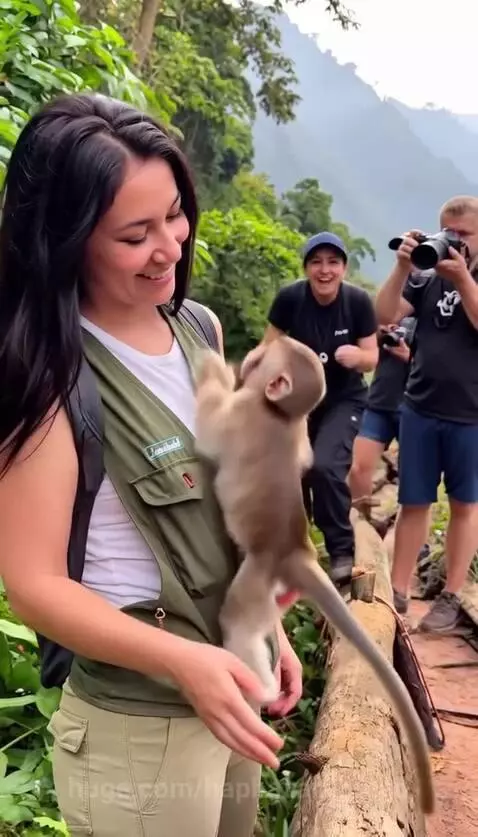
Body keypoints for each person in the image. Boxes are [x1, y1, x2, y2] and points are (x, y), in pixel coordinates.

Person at [0, 93, 303, 837]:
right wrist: (184, 660)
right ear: (67, 239)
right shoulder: (48, 375)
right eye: (136, 234)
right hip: (141, 730)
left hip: (227, 691)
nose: (170, 244)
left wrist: (269, 627)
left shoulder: (195, 327)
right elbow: (34, 585)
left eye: (174, 214)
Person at [375, 196, 478, 632]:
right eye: (447, 232)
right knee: (413, 501)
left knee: (464, 506)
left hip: (471, 415)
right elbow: (381, 315)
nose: (454, 242)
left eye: (464, 235)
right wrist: (402, 267)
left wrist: (463, 281)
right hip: (419, 407)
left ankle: (451, 598)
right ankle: (397, 592)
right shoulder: (425, 275)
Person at [264, 231, 378, 585]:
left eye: (333, 262)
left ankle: (341, 553)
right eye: (316, 262)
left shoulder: (358, 302)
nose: (324, 270)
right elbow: (269, 346)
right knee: (292, 473)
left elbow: (372, 356)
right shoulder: (290, 299)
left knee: (326, 466)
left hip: (345, 399)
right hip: (299, 401)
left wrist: (357, 356)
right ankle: (294, 553)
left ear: (344, 267)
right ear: (307, 267)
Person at [348, 314, 416, 506]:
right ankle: (363, 520)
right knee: (358, 469)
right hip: (380, 403)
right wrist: (377, 333)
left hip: (415, 408)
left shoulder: (436, 318)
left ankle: (400, 524)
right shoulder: (392, 312)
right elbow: (365, 351)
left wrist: (410, 356)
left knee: (412, 478)